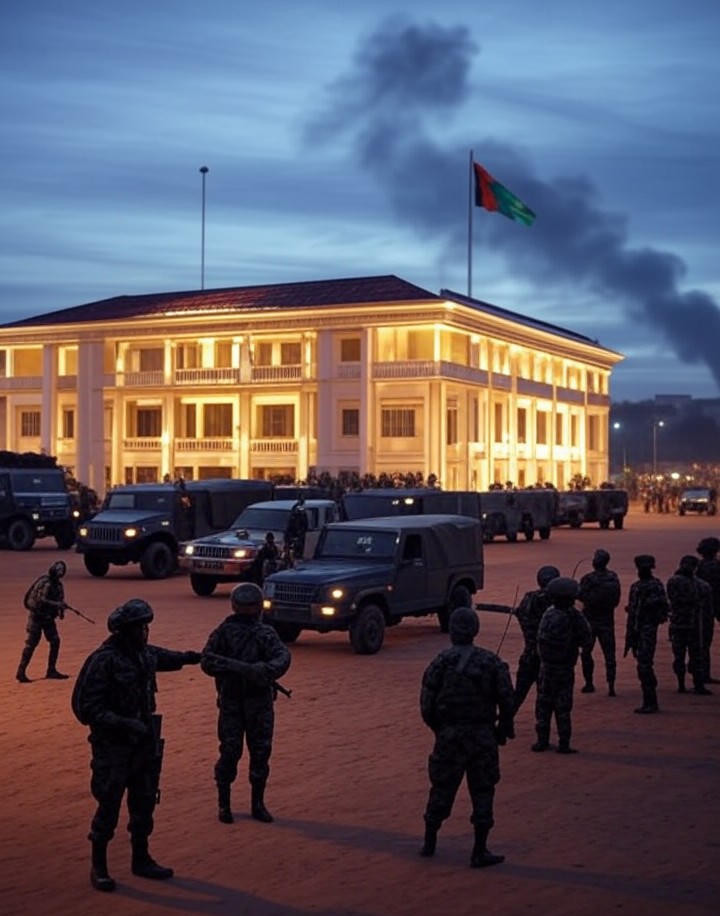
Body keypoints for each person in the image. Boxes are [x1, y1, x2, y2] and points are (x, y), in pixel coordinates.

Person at [71, 599, 201, 892]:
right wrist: (124, 723)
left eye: (146, 627)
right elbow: (85, 708)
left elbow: (168, 658)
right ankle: (99, 866)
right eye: (140, 627)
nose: (145, 632)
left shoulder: (143, 654)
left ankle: (140, 859)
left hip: (144, 745)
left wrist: (195, 657)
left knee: (143, 803)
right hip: (113, 748)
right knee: (108, 805)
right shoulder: (103, 661)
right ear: (125, 631)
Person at [419, 606, 514, 868]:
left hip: (449, 736)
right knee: (483, 791)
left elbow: (426, 704)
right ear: (475, 630)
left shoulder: (440, 662)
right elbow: (507, 700)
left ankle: (429, 842)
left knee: (441, 788)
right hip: (482, 737)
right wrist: (502, 730)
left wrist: (440, 730)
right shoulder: (491, 662)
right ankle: (479, 850)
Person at [201, 583, 291, 825]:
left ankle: (257, 804)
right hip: (232, 702)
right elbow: (207, 661)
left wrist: (262, 671)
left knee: (259, 754)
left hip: (258, 703)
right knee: (230, 753)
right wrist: (234, 669)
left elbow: (282, 658)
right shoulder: (224, 632)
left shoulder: (265, 634)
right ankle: (224, 804)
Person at [533, 577, 593, 754]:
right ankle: (564, 743)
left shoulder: (548, 614)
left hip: (546, 667)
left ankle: (541, 741)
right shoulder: (574, 616)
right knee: (563, 706)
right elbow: (586, 639)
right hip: (565, 668)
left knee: (543, 704)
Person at [624, 555, 670, 714]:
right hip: (639, 630)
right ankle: (649, 700)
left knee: (644, 666)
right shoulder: (639, 586)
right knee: (643, 665)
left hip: (646, 630)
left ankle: (650, 701)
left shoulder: (651, 586)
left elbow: (662, 609)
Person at [513, 565, 560, 711]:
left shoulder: (528, 598)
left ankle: (503, 724)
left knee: (518, 694)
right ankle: (543, 730)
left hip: (529, 655)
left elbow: (521, 615)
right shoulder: (557, 603)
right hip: (549, 659)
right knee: (545, 698)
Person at [16, 560, 70, 682]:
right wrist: (57, 604)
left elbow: (60, 600)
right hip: (37, 617)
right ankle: (21, 672)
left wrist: (61, 610)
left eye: (62, 570)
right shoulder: (47, 583)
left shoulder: (58, 586)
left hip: (48, 618)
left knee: (55, 641)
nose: (60, 572)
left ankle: (51, 670)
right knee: (31, 644)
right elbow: (41, 599)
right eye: (59, 569)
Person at [666, 555, 712, 695]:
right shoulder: (702, 585)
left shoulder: (673, 581)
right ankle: (698, 685)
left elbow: (671, 599)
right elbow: (707, 606)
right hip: (694, 625)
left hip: (678, 624)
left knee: (679, 656)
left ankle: (681, 684)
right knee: (696, 655)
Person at [578, 549, 622, 696]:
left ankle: (589, 683)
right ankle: (611, 686)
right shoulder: (613, 577)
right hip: (607, 620)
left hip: (590, 621)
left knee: (586, 653)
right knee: (609, 655)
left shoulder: (588, 579)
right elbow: (616, 600)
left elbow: (580, 595)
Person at [696, 537, 720, 684]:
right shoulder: (718, 566)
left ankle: (701, 672)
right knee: (705, 641)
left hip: (701, 609)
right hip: (713, 607)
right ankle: (703, 673)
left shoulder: (697, 567)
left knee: (701, 642)